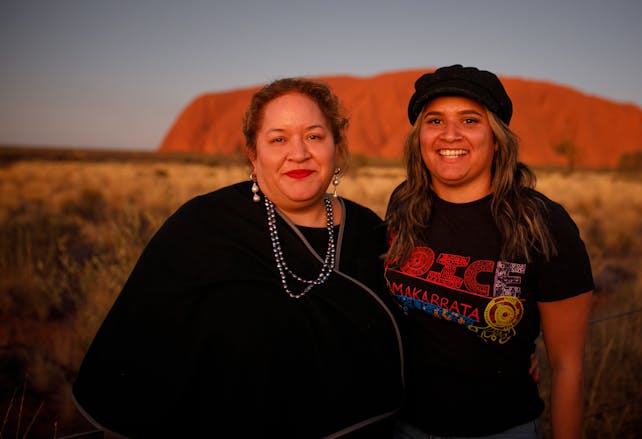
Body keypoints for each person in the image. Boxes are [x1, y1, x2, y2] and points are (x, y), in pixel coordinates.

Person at [72, 78, 404, 437]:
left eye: (314, 136)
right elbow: (137, 358)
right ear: (253, 153)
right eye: (278, 139)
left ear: (336, 146)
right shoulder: (203, 227)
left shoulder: (369, 231)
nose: (299, 153)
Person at [384, 65, 594, 439]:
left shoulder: (542, 223)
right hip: (404, 426)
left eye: (469, 119)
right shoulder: (404, 206)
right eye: (435, 120)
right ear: (419, 137)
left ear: (496, 139)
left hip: (500, 429)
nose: (450, 134)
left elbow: (567, 368)